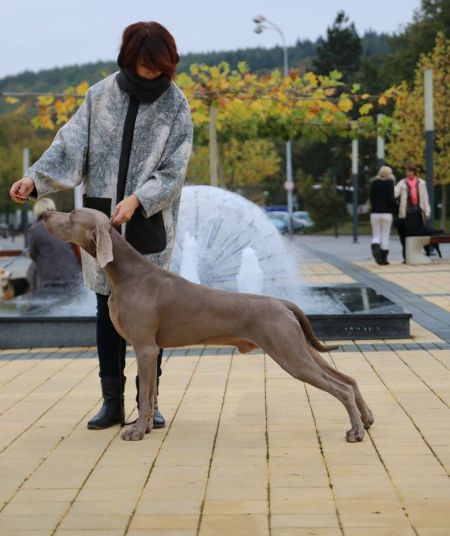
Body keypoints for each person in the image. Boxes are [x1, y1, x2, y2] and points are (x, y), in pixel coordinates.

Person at [10, 21, 193, 430]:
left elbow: (175, 169)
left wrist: (138, 199)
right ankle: (112, 402)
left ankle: (151, 403)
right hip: (97, 224)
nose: (152, 71)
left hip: (147, 224)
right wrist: (35, 180)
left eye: (160, 65)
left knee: (151, 317)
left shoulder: (176, 105)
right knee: (105, 308)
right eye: (146, 63)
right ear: (129, 57)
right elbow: (69, 147)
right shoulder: (100, 96)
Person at [27, 198, 82, 295]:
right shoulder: (66, 224)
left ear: (36, 211)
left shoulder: (34, 229)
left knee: (32, 271)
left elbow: (33, 255)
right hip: (73, 276)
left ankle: (34, 299)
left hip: (50, 280)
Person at [395, 163, 431, 262]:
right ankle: (407, 257)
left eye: (410, 171)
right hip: (406, 213)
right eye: (406, 171)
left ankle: (417, 254)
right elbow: (395, 193)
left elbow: (425, 198)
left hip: (418, 212)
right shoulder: (402, 183)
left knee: (418, 234)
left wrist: (427, 212)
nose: (408, 173)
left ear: (414, 172)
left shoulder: (421, 183)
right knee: (406, 235)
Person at [369, 166, 396, 265]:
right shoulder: (390, 183)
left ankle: (375, 247)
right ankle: (383, 259)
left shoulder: (373, 183)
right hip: (386, 213)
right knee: (385, 235)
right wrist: (394, 209)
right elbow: (391, 199)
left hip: (375, 212)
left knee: (376, 234)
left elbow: (371, 198)